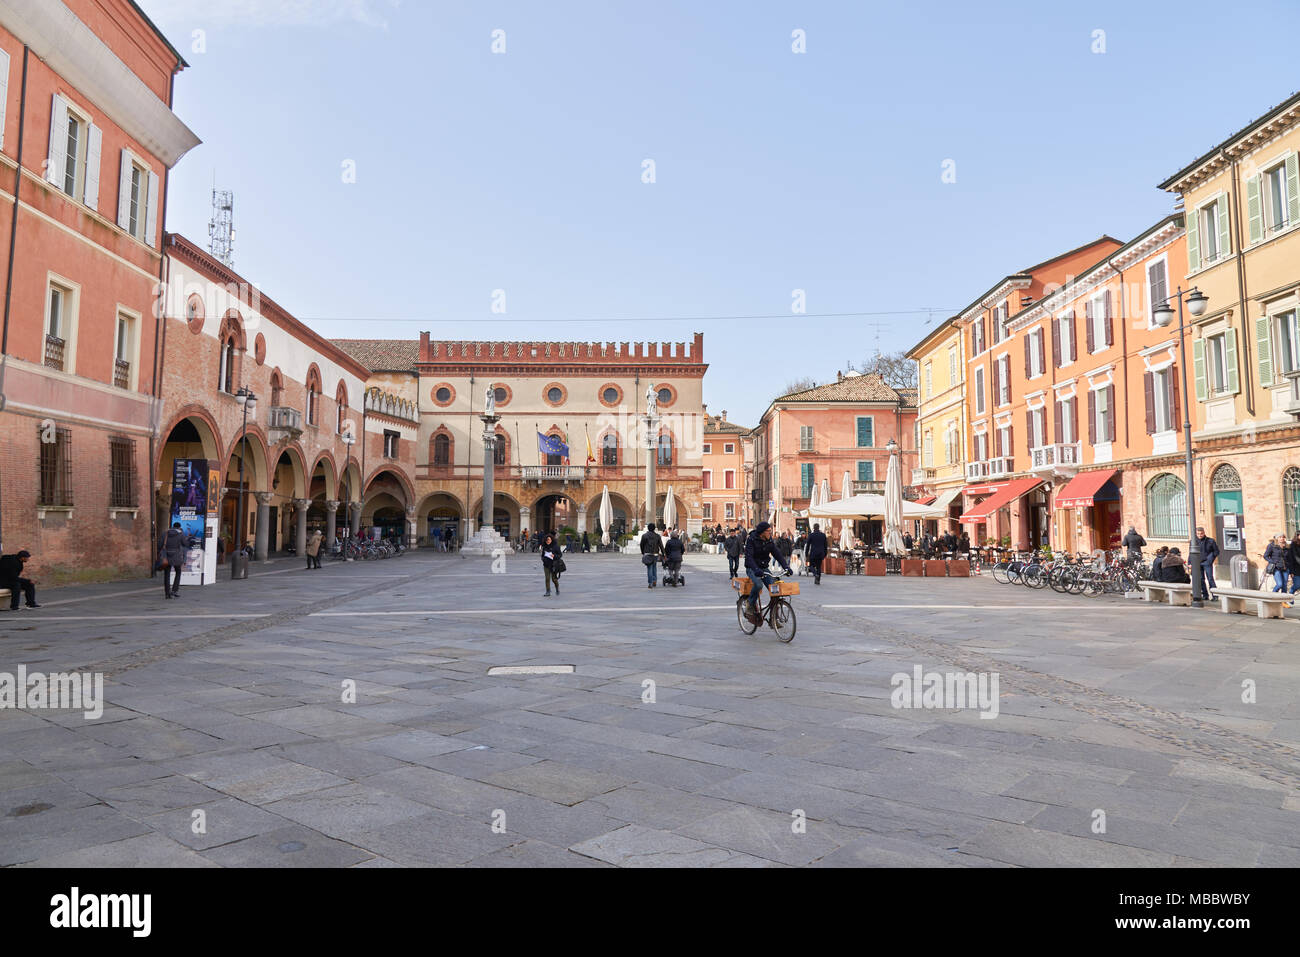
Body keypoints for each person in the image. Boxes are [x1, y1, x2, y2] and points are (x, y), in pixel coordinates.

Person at [743, 522, 793, 623]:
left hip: (764, 568)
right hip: (752, 568)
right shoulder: (751, 540)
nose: (771, 533)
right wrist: (756, 569)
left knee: (775, 589)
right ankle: (750, 603)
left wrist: (786, 567)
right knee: (758, 585)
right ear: (762, 532)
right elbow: (749, 557)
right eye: (769, 531)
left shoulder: (769, 541)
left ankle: (773, 618)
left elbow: (777, 554)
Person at [159, 522, 191, 599]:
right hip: (176, 556)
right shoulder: (181, 534)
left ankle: (167, 593)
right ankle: (174, 590)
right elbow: (185, 544)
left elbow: (160, 545)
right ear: (179, 527)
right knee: (178, 572)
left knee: (167, 574)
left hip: (166, 556)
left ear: (172, 526)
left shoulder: (165, 533)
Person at [1195, 526, 1220, 597]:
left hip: (1207, 562)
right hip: (1198, 562)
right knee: (1201, 579)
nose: (1200, 535)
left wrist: (1210, 559)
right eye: (1198, 534)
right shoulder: (1194, 541)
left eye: (1201, 533)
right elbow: (1191, 553)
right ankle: (1205, 595)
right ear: (1196, 534)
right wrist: (1190, 562)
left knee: (1210, 578)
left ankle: (1215, 595)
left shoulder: (1210, 541)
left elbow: (1216, 551)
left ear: (1204, 533)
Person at [640, 522, 663, 588]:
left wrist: (643, 552)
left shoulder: (644, 536)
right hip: (655, 554)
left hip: (647, 553)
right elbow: (661, 546)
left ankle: (650, 583)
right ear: (654, 528)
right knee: (654, 567)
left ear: (648, 528)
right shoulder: (657, 536)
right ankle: (654, 580)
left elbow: (642, 545)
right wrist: (664, 554)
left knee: (649, 568)